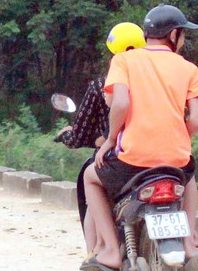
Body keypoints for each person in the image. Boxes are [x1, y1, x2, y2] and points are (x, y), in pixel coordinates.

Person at [74, 5, 198, 271]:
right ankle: (188, 240)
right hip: (174, 160)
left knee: (90, 178)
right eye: (183, 34)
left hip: (131, 159)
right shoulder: (189, 69)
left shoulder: (124, 61)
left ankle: (109, 250)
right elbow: (196, 119)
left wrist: (109, 140)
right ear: (173, 34)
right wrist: (177, 136)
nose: (183, 40)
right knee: (189, 174)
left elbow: (119, 104)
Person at [55, 22, 145, 257]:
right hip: (159, 155)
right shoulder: (152, 82)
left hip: (119, 156)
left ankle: (95, 256)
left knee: (91, 185)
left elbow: (81, 133)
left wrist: (68, 136)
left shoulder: (101, 86)